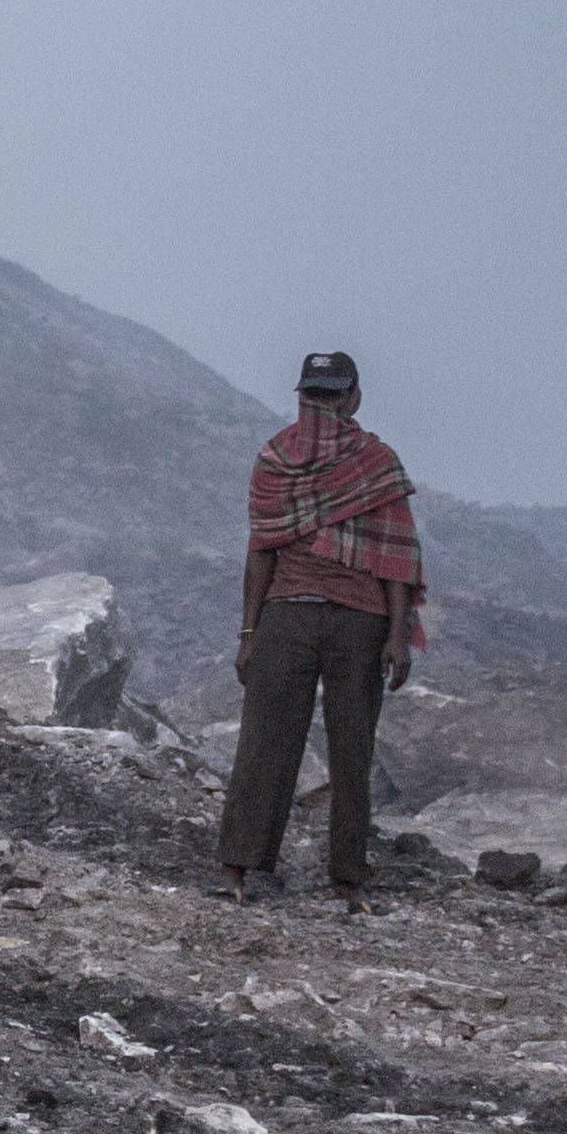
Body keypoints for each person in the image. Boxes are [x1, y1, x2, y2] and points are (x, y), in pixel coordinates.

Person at [221, 350, 427, 906]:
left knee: (352, 752)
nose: (323, 406)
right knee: (264, 743)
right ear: (302, 397)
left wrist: (396, 635)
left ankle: (348, 877)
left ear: (353, 397)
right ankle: (239, 868)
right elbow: (260, 550)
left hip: (359, 623)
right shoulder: (275, 461)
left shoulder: (375, 464)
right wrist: (248, 634)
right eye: (315, 396)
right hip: (288, 615)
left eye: (331, 395)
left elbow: (396, 558)